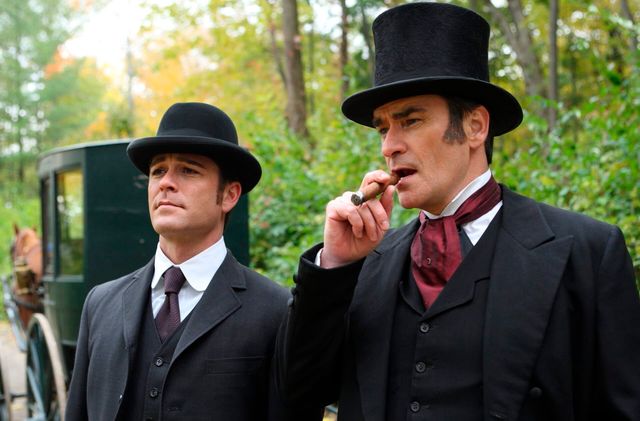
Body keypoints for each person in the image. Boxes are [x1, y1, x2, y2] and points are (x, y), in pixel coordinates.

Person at [275, 3, 640, 421]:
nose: (388, 146)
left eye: (411, 121)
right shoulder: (362, 264)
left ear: (475, 127)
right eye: (383, 128)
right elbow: (298, 393)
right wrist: (335, 265)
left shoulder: (588, 252)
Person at [66, 102, 295, 421]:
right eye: (158, 171)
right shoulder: (100, 305)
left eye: (189, 170)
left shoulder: (275, 310)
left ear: (229, 195)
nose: (166, 183)